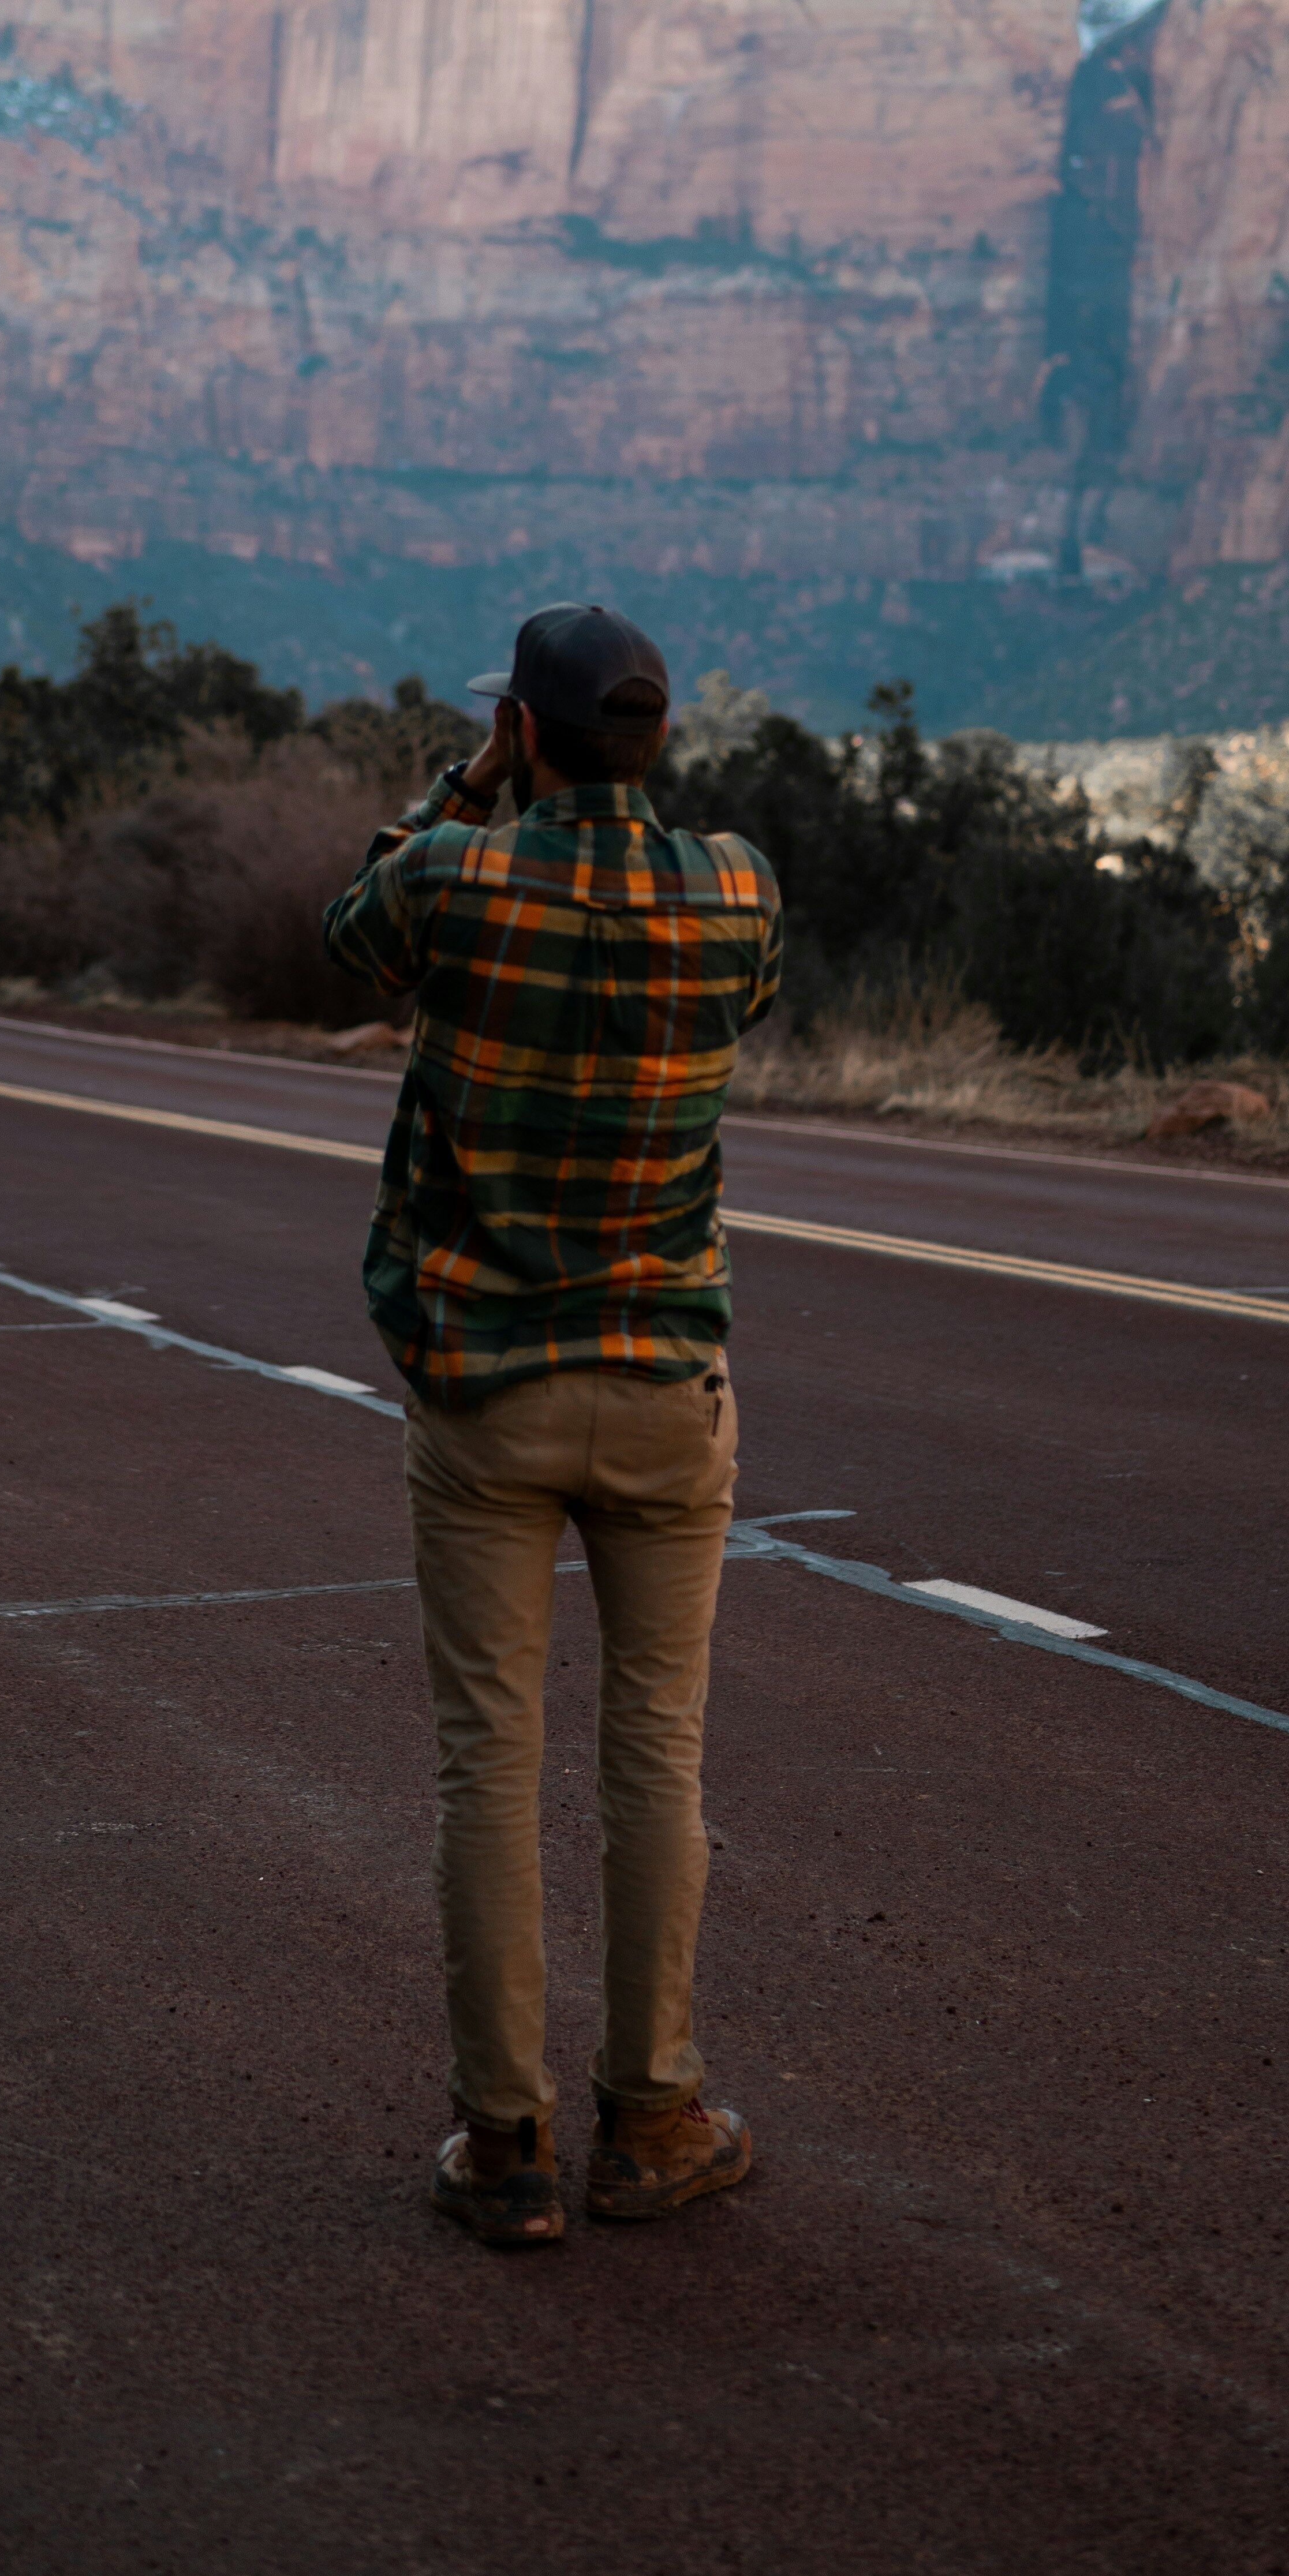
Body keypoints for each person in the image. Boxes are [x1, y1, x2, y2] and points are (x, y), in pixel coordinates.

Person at [322, 602, 784, 2249]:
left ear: (524, 733)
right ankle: (653, 2119)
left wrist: (467, 783)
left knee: (488, 1770)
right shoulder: (737, 886)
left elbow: (347, 936)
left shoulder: (459, 879)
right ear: (658, 740)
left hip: (488, 1391)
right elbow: (745, 1003)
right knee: (656, 1755)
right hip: (667, 1386)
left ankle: (504, 2148)